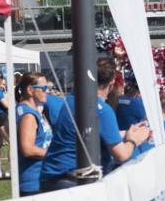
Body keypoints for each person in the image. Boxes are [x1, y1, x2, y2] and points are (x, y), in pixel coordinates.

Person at [40, 58, 151, 192]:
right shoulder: (102, 110)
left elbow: (91, 133)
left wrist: (125, 133)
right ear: (111, 83)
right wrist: (133, 140)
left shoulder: (72, 99)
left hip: (51, 177)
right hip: (74, 181)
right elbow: (121, 155)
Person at [15, 73, 54, 197]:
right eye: (43, 88)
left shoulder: (31, 111)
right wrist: (54, 154)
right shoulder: (28, 116)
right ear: (30, 90)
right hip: (33, 182)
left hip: (39, 179)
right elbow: (27, 149)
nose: (47, 91)